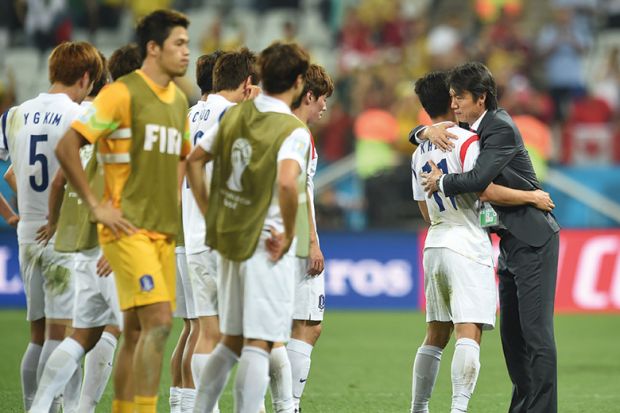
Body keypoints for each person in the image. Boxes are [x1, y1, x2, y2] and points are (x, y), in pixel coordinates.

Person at [54, 9, 191, 413]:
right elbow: (67, 147)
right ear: (153, 48)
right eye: (178, 44)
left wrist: (175, 198)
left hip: (163, 233)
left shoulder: (179, 100)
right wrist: (98, 206)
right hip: (127, 231)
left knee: (132, 331)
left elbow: (182, 156)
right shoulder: (120, 94)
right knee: (160, 322)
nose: (186, 52)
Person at [418, 62, 560, 413]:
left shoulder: (500, 127)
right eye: (451, 97)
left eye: (459, 98)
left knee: (536, 334)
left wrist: (442, 182)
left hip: (532, 238)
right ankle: (523, 407)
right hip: (508, 242)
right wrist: (423, 132)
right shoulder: (470, 126)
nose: (454, 105)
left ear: (481, 98)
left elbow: (479, 179)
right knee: (513, 340)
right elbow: (428, 132)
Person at [186, 41, 310, 413]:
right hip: (264, 244)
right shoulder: (293, 128)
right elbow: (288, 182)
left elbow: (194, 161)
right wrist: (289, 233)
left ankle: (200, 410)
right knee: (258, 343)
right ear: (299, 81)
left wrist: (211, 214)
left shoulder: (236, 116)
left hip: (228, 240)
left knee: (230, 341)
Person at [30, 45, 144, 413]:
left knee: (82, 333)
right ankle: (89, 408)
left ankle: (42, 406)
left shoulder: (90, 113)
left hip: (79, 241)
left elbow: (60, 177)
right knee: (134, 329)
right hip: (112, 242)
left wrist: (56, 222)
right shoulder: (130, 114)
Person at [0, 41, 103, 412]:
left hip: (27, 232)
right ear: (87, 77)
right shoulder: (81, 115)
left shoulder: (14, 114)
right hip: (62, 232)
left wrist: (12, 212)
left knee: (37, 334)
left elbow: (11, 173)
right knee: (62, 334)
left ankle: (34, 406)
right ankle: (50, 407)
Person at [174, 48, 258, 413]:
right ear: (245, 83)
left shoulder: (191, 114)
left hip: (192, 233)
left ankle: (196, 408)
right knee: (252, 335)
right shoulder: (235, 115)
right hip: (224, 236)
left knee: (204, 331)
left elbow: (184, 167)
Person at [275, 63, 333, 413]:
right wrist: (312, 241)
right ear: (308, 96)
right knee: (308, 324)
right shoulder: (297, 134)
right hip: (293, 240)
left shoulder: (273, 127)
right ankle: (289, 405)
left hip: (271, 238)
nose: (324, 107)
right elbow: (301, 190)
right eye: (322, 99)